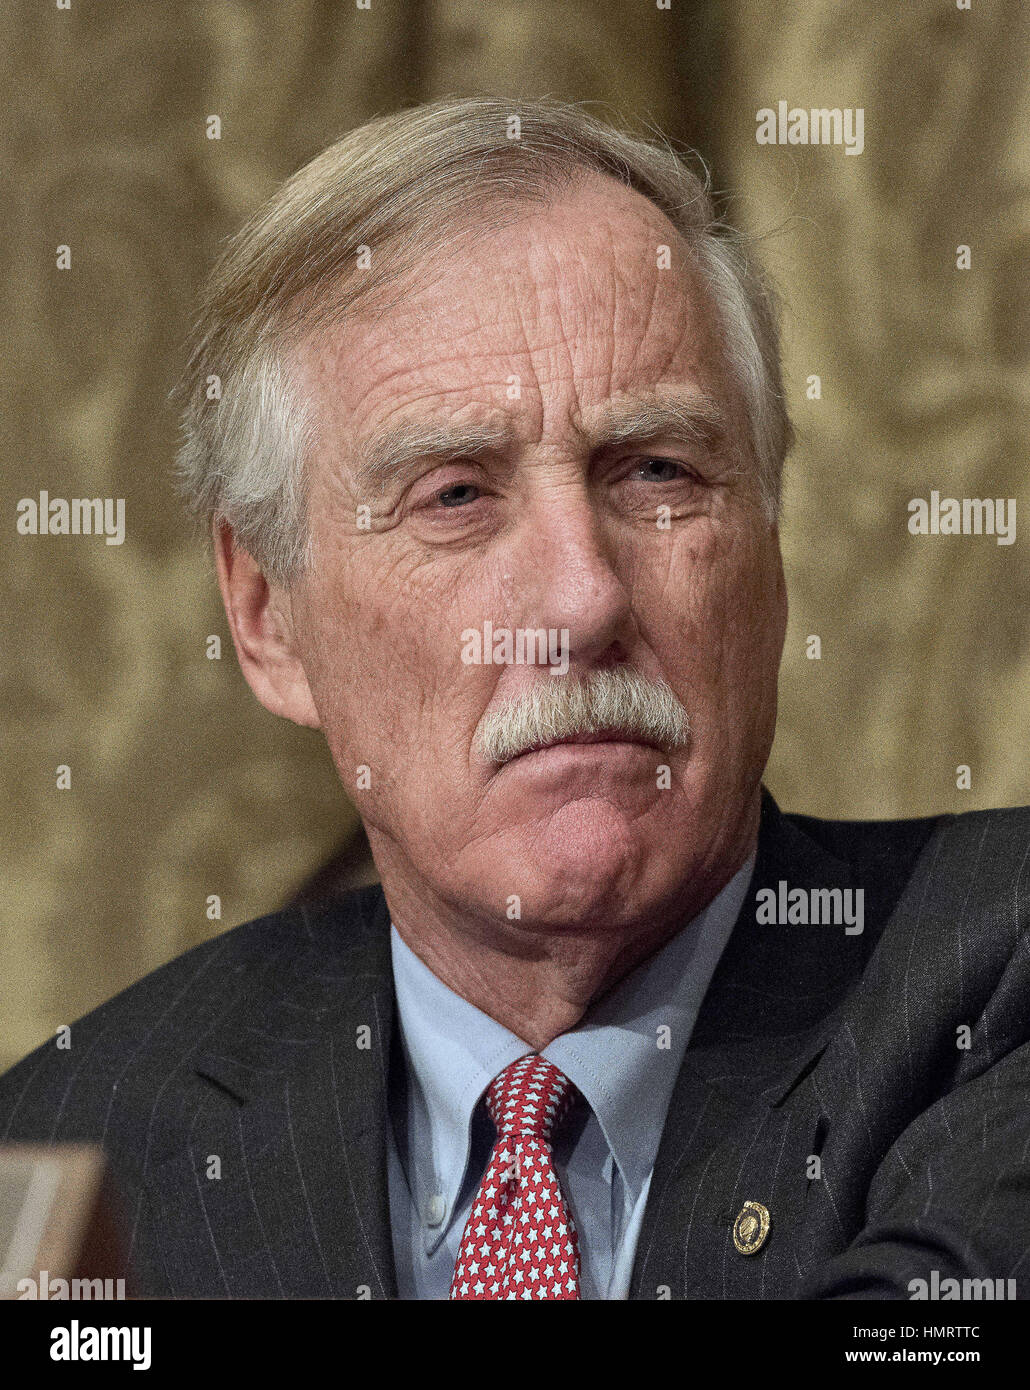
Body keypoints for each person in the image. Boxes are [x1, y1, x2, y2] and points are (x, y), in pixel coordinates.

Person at [2, 96, 1027, 1300]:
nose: (582, 600)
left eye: (656, 472)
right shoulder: (80, 1138)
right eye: (455, 496)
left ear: (769, 543)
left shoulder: (990, 979)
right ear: (267, 614)